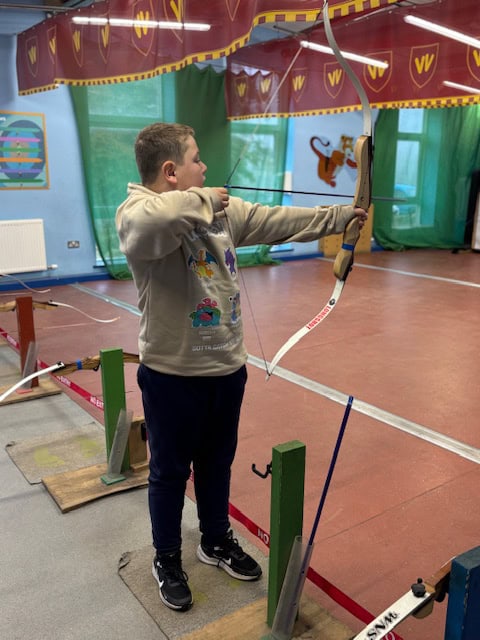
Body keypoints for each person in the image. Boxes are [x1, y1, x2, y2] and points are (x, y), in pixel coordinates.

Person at [116, 122, 368, 612]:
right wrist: (204, 198)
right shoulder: (137, 213)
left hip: (227, 369)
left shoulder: (221, 213)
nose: (205, 166)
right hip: (172, 376)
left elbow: (278, 220)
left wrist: (342, 216)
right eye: (196, 159)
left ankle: (215, 539)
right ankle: (167, 558)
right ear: (171, 172)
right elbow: (150, 222)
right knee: (169, 473)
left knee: (217, 463)